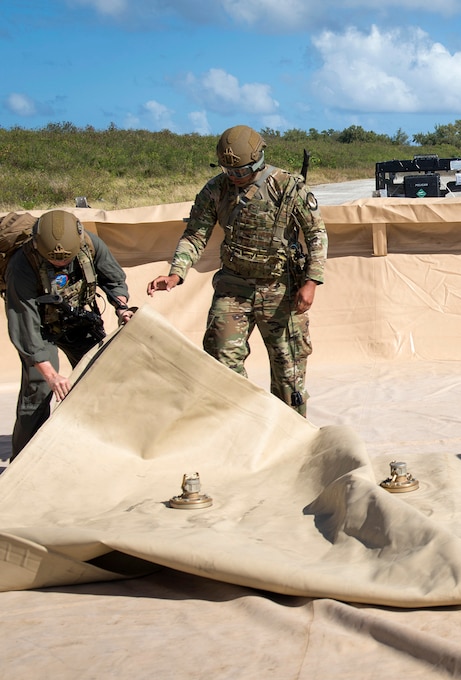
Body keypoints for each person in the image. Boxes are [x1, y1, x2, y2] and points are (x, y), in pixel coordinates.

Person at [147, 125, 328, 416]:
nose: (235, 178)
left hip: (280, 290)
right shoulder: (216, 190)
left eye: (242, 172)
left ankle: (291, 437)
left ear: (258, 160)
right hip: (234, 288)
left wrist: (311, 281)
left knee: (288, 373)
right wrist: (176, 273)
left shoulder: (287, 186)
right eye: (230, 171)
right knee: (220, 363)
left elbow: (316, 234)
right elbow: (196, 234)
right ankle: (239, 426)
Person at [4, 210, 133, 458]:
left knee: (100, 376)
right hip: (40, 329)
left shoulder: (90, 244)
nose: (61, 264)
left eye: (66, 260)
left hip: (75, 319)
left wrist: (123, 308)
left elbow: (113, 280)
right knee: (39, 388)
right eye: (54, 261)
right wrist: (51, 376)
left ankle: (101, 450)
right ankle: (25, 462)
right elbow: (25, 329)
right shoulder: (21, 265)